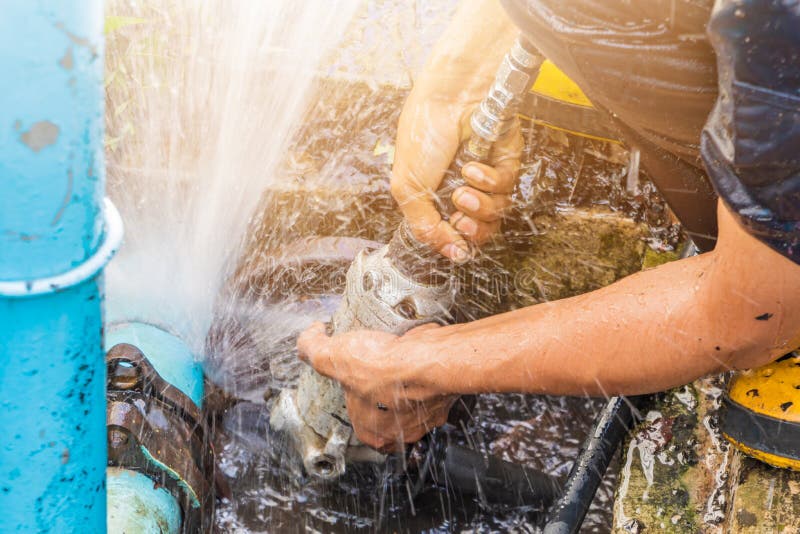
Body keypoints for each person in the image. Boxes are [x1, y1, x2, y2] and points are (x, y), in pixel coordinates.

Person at [297, 0, 800, 452]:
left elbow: (749, 312)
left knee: (772, 306)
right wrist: (458, 85)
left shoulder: (778, 35)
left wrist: (424, 364)